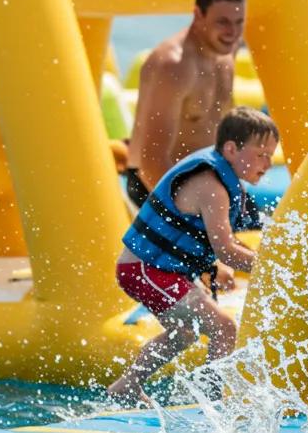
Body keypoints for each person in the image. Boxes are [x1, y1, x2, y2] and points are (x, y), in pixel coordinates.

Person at [109, 107, 278, 406]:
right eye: (262, 154)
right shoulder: (211, 186)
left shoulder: (223, 180)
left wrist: (214, 265)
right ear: (231, 149)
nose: (269, 163)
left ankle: (127, 386)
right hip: (145, 269)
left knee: (185, 333)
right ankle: (213, 406)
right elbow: (226, 248)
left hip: (162, 269)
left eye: (271, 154)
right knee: (224, 327)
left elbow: (212, 242)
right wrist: (275, 267)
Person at [126, 0, 247, 211]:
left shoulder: (225, 50)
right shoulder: (173, 66)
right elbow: (150, 164)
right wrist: (192, 215)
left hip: (209, 181)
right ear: (198, 14)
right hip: (158, 185)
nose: (232, 32)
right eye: (222, 22)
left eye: (239, 22)